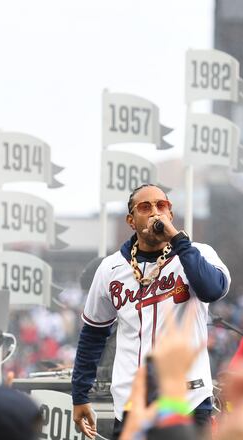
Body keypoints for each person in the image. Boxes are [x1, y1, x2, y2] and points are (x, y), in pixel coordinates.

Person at [72, 184, 231, 439]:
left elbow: (212, 290)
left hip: (189, 399)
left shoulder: (198, 253)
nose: (156, 212)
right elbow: (93, 333)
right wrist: (80, 394)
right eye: (145, 207)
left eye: (162, 205)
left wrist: (179, 241)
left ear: (171, 214)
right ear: (131, 220)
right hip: (132, 403)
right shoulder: (110, 268)